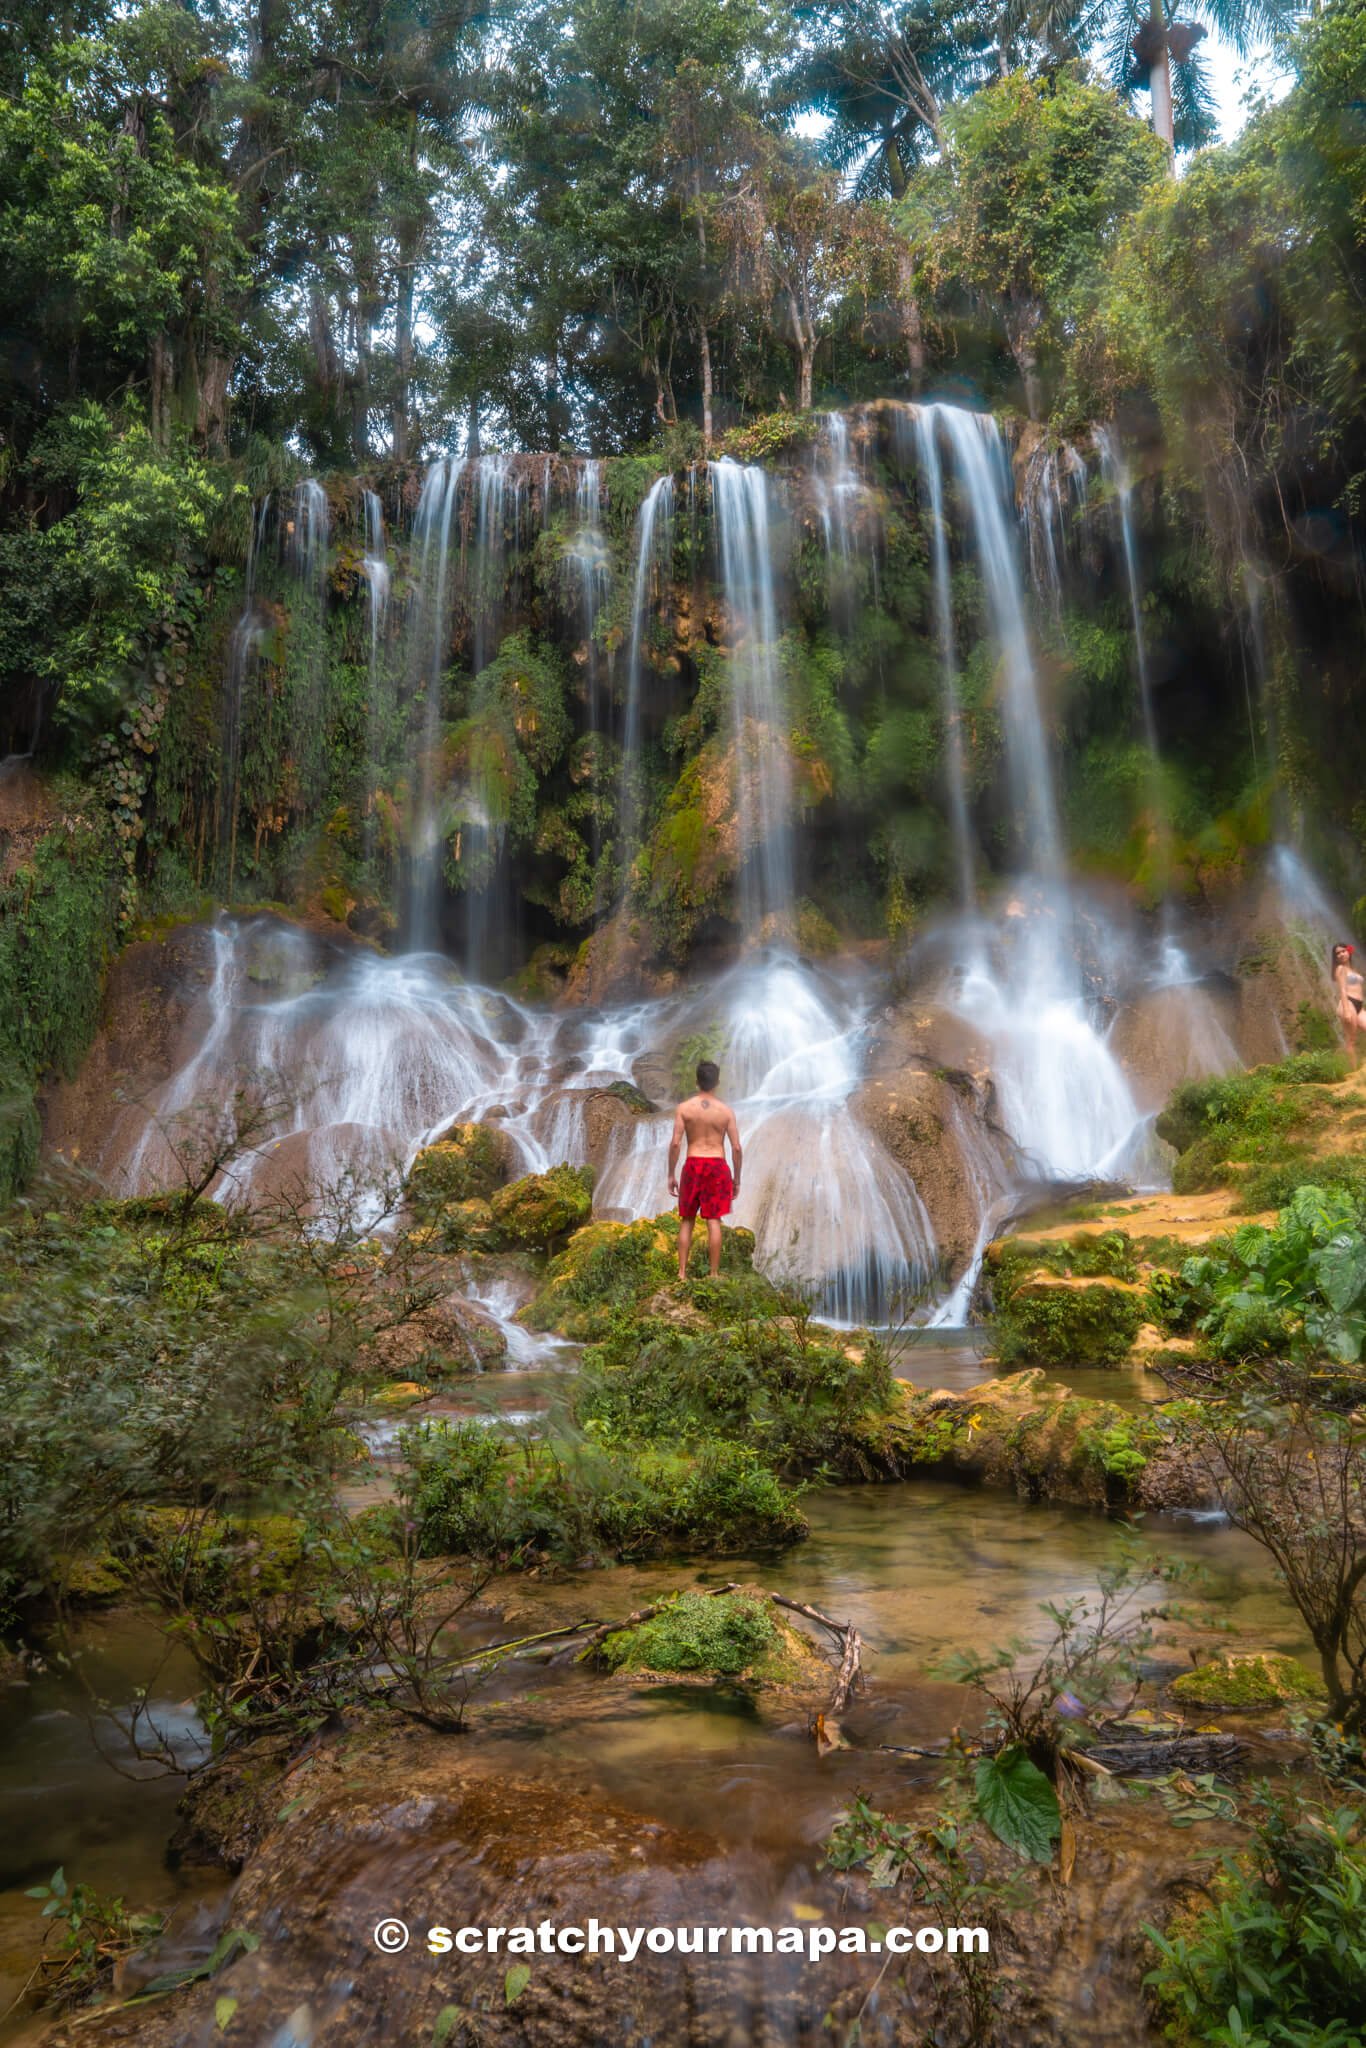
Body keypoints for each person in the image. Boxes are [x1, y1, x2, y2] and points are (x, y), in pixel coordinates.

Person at [668, 1059, 742, 1280]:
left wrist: (671, 1174)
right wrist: (737, 1179)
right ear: (717, 1082)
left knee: (687, 1220)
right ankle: (713, 1273)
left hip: (692, 1165)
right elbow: (736, 1147)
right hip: (717, 1167)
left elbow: (675, 1143)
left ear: (696, 1081)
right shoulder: (726, 1112)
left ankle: (681, 1273)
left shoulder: (684, 1109)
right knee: (713, 1220)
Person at [1332, 941, 1364, 1066]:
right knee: (1351, 1040)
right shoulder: (1340, 969)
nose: (1341, 954)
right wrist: (1346, 1010)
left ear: (1348, 951)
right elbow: (1342, 989)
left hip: (1359, 1007)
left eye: (1343, 951)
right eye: (1337, 953)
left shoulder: (1353, 969)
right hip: (1348, 1003)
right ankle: (1354, 1070)